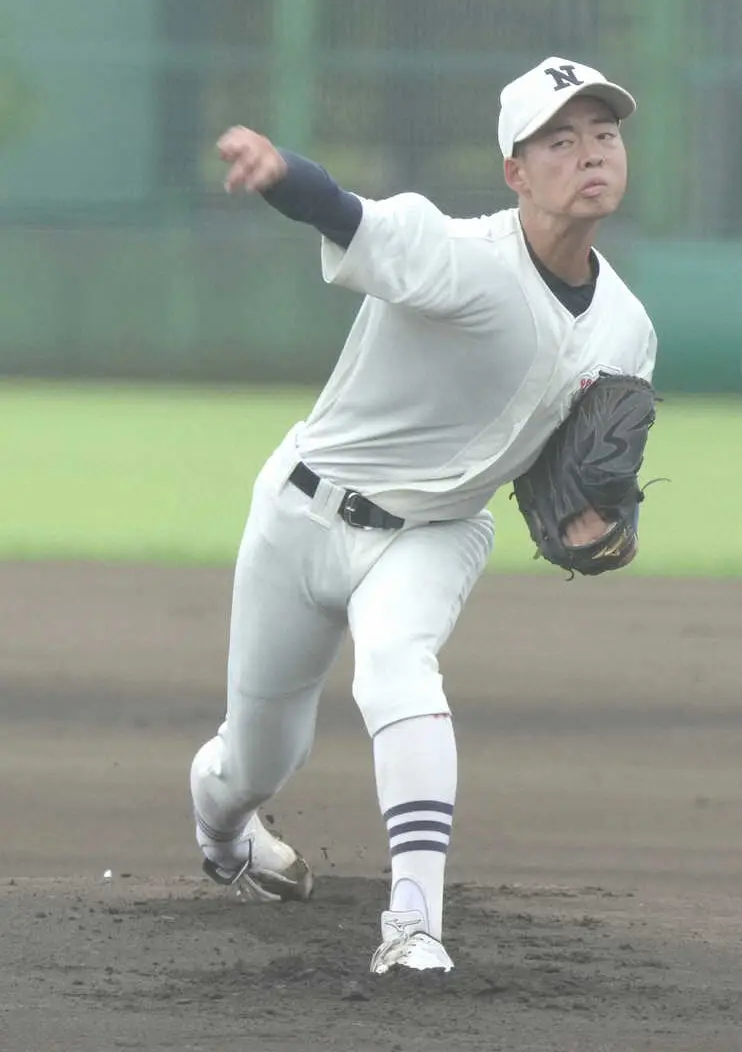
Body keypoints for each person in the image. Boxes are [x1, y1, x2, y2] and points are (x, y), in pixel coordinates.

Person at [190, 56, 657, 975]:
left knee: (398, 670)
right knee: (256, 758)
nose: (589, 153)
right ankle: (223, 832)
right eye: (558, 141)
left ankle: (414, 924)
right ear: (516, 173)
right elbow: (351, 216)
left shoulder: (627, 329)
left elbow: (592, 465)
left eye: (603, 134)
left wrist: (597, 517)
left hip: (437, 529)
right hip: (303, 514)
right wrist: (280, 174)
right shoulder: (458, 255)